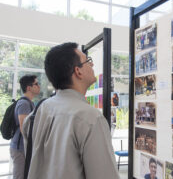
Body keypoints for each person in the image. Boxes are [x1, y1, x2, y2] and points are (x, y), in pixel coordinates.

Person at [22, 42, 119, 179]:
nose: (92, 65)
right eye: (88, 61)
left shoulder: (40, 109)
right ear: (78, 71)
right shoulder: (91, 118)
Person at [10, 75, 40, 179]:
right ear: (28, 88)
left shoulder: (29, 103)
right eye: (36, 84)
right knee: (19, 176)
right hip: (20, 148)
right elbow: (25, 129)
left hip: (23, 148)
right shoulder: (24, 104)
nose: (39, 86)